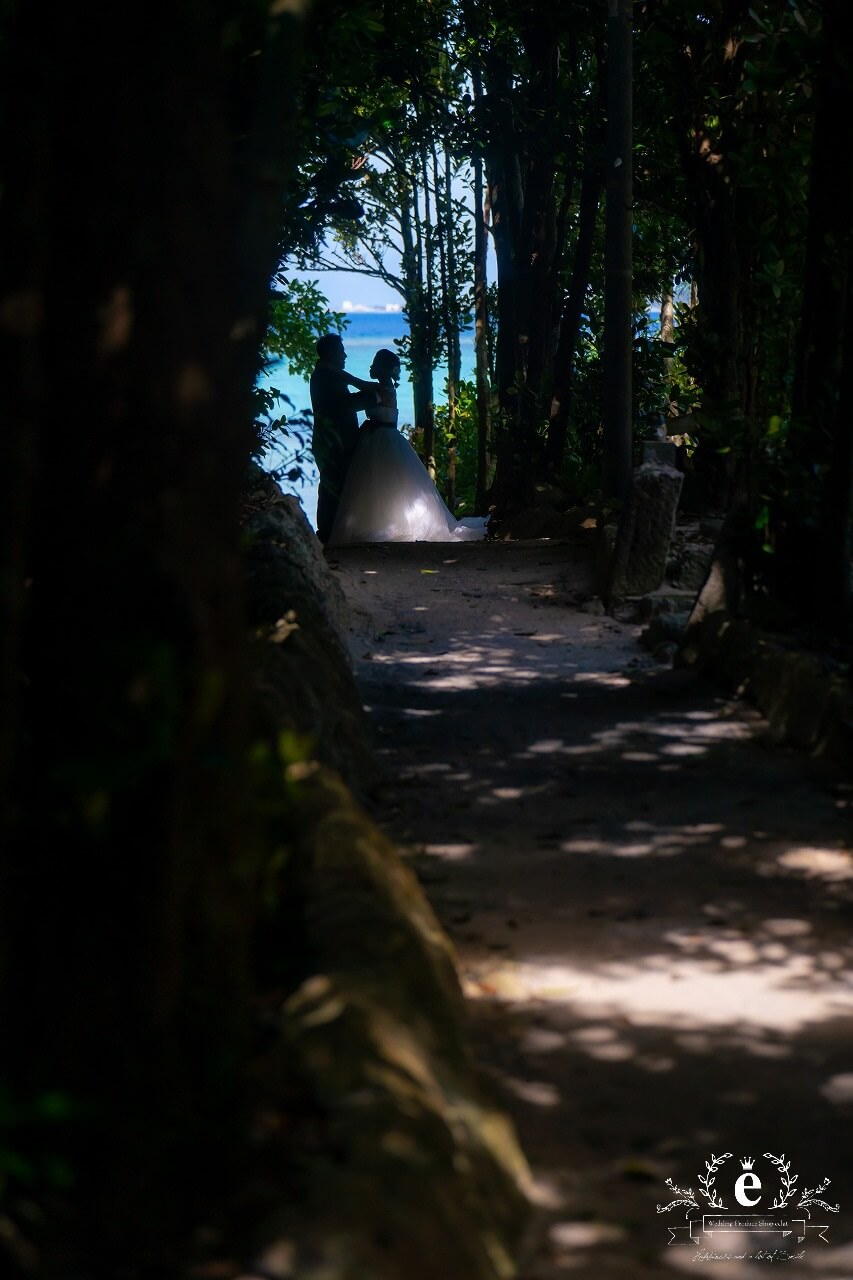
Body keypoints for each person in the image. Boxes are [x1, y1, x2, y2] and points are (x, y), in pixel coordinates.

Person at [326, 348, 490, 547]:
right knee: (382, 483)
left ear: (383, 369)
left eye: (375, 364)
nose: (371, 367)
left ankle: (383, 524)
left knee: (380, 482)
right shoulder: (382, 388)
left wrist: (332, 371)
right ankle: (381, 521)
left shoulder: (381, 390)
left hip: (381, 440)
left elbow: (357, 385)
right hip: (379, 438)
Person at [309, 333, 380, 544]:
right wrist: (376, 398)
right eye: (341, 351)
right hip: (332, 442)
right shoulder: (325, 375)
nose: (345, 355)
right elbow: (343, 404)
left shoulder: (328, 373)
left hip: (334, 440)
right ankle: (328, 535)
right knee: (332, 487)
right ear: (331, 353)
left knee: (336, 487)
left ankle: (332, 533)